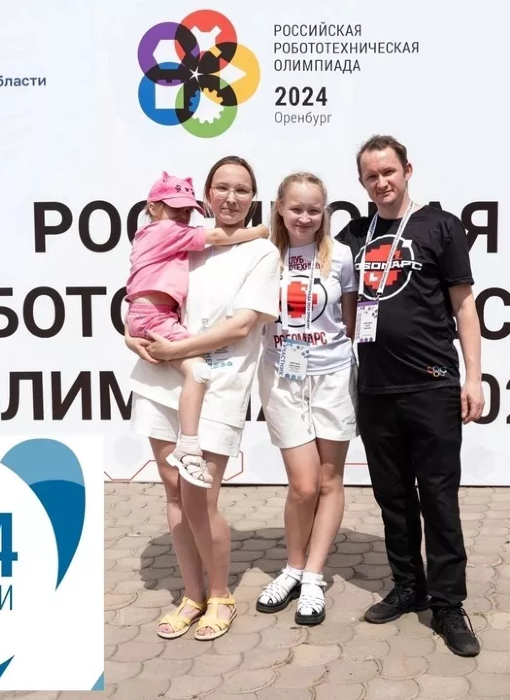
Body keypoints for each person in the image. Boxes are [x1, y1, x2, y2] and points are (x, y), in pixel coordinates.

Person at [334, 134, 485, 658]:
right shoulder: (354, 235)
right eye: (371, 176)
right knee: (392, 497)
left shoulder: (441, 226)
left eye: (389, 172)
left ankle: (448, 604)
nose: (381, 183)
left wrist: (473, 378)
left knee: (438, 497)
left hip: (432, 383)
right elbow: (297, 243)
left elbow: (464, 306)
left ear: (407, 171)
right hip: (375, 388)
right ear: (362, 183)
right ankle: (407, 586)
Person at [125, 156, 280, 642]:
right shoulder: (180, 236)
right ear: (207, 194)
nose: (231, 198)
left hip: (219, 385)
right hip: (160, 378)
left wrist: (178, 350)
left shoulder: (262, 252)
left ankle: (220, 595)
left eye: (242, 189)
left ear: (253, 197)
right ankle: (192, 596)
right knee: (173, 492)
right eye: (222, 188)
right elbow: (145, 295)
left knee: (201, 498)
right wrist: (133, 337)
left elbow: (240, 326)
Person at [254, 172, 358, 626]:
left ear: (325, 212)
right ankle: (292, 567)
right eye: (296, 208)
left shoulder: (341, 256)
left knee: (330, 480)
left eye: (314, 209)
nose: (305, 217)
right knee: (303, 485)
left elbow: (348, 322)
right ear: (279, 207)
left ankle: (313, 576)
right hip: (281, 377)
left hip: (332, 376)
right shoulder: (262, 255)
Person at [126, 171, 269, 488]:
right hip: (156, 320)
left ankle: (188, 446)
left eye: (186, 210)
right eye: (173, 207)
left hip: (151, 317)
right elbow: (217, 236)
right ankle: (189, 448)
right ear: (153, 207)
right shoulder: (164, 231)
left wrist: (131, 332)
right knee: (200, 371)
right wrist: (259, 231)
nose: (181, 215)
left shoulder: (163, 238)